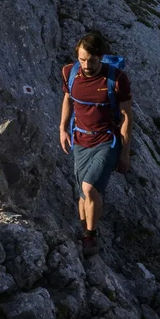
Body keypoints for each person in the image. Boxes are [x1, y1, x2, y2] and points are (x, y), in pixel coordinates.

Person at [57, 30, 133, 255]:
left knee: (89, 188)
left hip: (106, 141)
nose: (86, 65)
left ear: (100, 57)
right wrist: (62, 128)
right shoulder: (69, 73)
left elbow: (127, 116)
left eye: (91, 60)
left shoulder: (117, 79)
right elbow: (68, 99)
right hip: (80, 139)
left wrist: (125, 152)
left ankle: (91, 235)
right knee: (83, 192)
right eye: (82, 59)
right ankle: (84, 233)